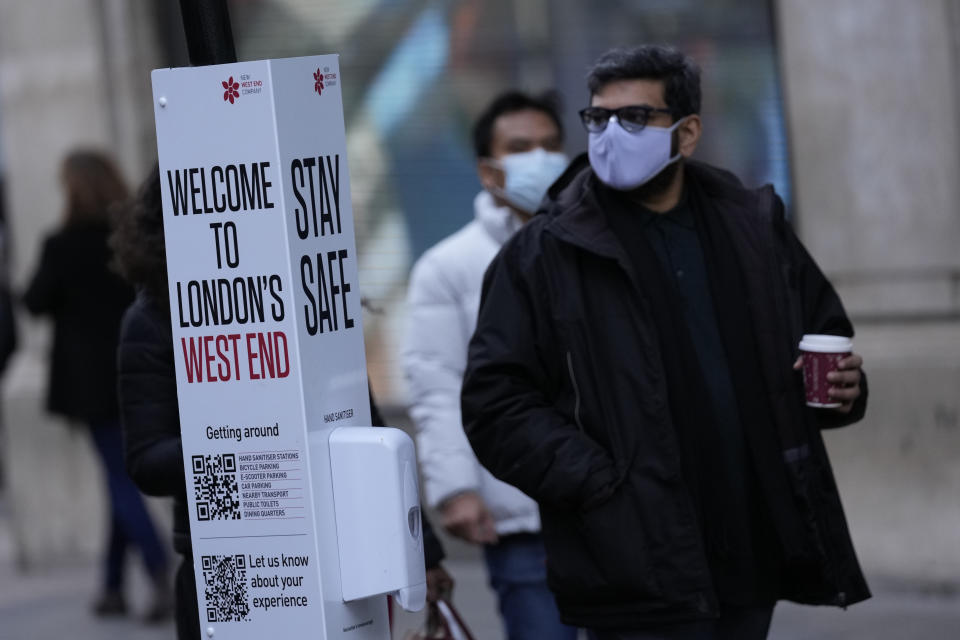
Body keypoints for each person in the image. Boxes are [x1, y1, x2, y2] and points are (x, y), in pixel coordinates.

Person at [461, 45, 870, 640]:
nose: (609, 134)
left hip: (750, 552)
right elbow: (494, 403)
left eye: (634, 118)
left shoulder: (752, 225)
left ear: (687, 132)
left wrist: (846, 391)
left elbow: (821, 335)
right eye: (598, 119)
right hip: (634, 564)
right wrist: (602, 484)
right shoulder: (545, 252)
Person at [112, 169, 451, 640]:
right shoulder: (154, 319)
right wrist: (250, 450)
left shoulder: (304, 302)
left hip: (340, 548)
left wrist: (423, 551)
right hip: (225, 558)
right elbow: (148, 461)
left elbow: (367, 429)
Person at [403, 90, 575, 640]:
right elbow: (437, 383)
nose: (541, 159)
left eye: (551, 145)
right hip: (521, 515)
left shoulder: (600, 244)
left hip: (619, 508)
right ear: (488, 169)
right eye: (521, 147)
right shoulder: (449, 267)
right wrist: (455, 487)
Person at [23, 150, 170, 621]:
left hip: (88, 383)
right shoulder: (127, 237)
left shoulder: (61, 244)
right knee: (118, 478)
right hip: (136, 368)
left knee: (119, 478)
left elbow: (34, 300)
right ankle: (111, 586)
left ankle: (157, 565)